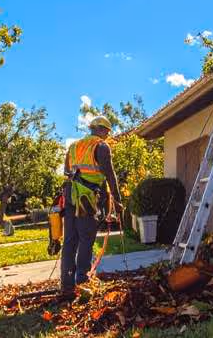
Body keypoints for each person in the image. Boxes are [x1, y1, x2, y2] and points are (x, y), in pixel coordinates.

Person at [60, 115, 122, 299]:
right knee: (86, 239)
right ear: (103, 130)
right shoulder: (101, 147)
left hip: (71, 195)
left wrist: (80, 177)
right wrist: (117, 202)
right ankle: (83, 284)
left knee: (70, 241)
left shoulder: (73, 146)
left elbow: (66, 171)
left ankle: (66, 285)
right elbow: (110, 176)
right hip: (86, 199)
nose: (106, 136)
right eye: (107, 132)